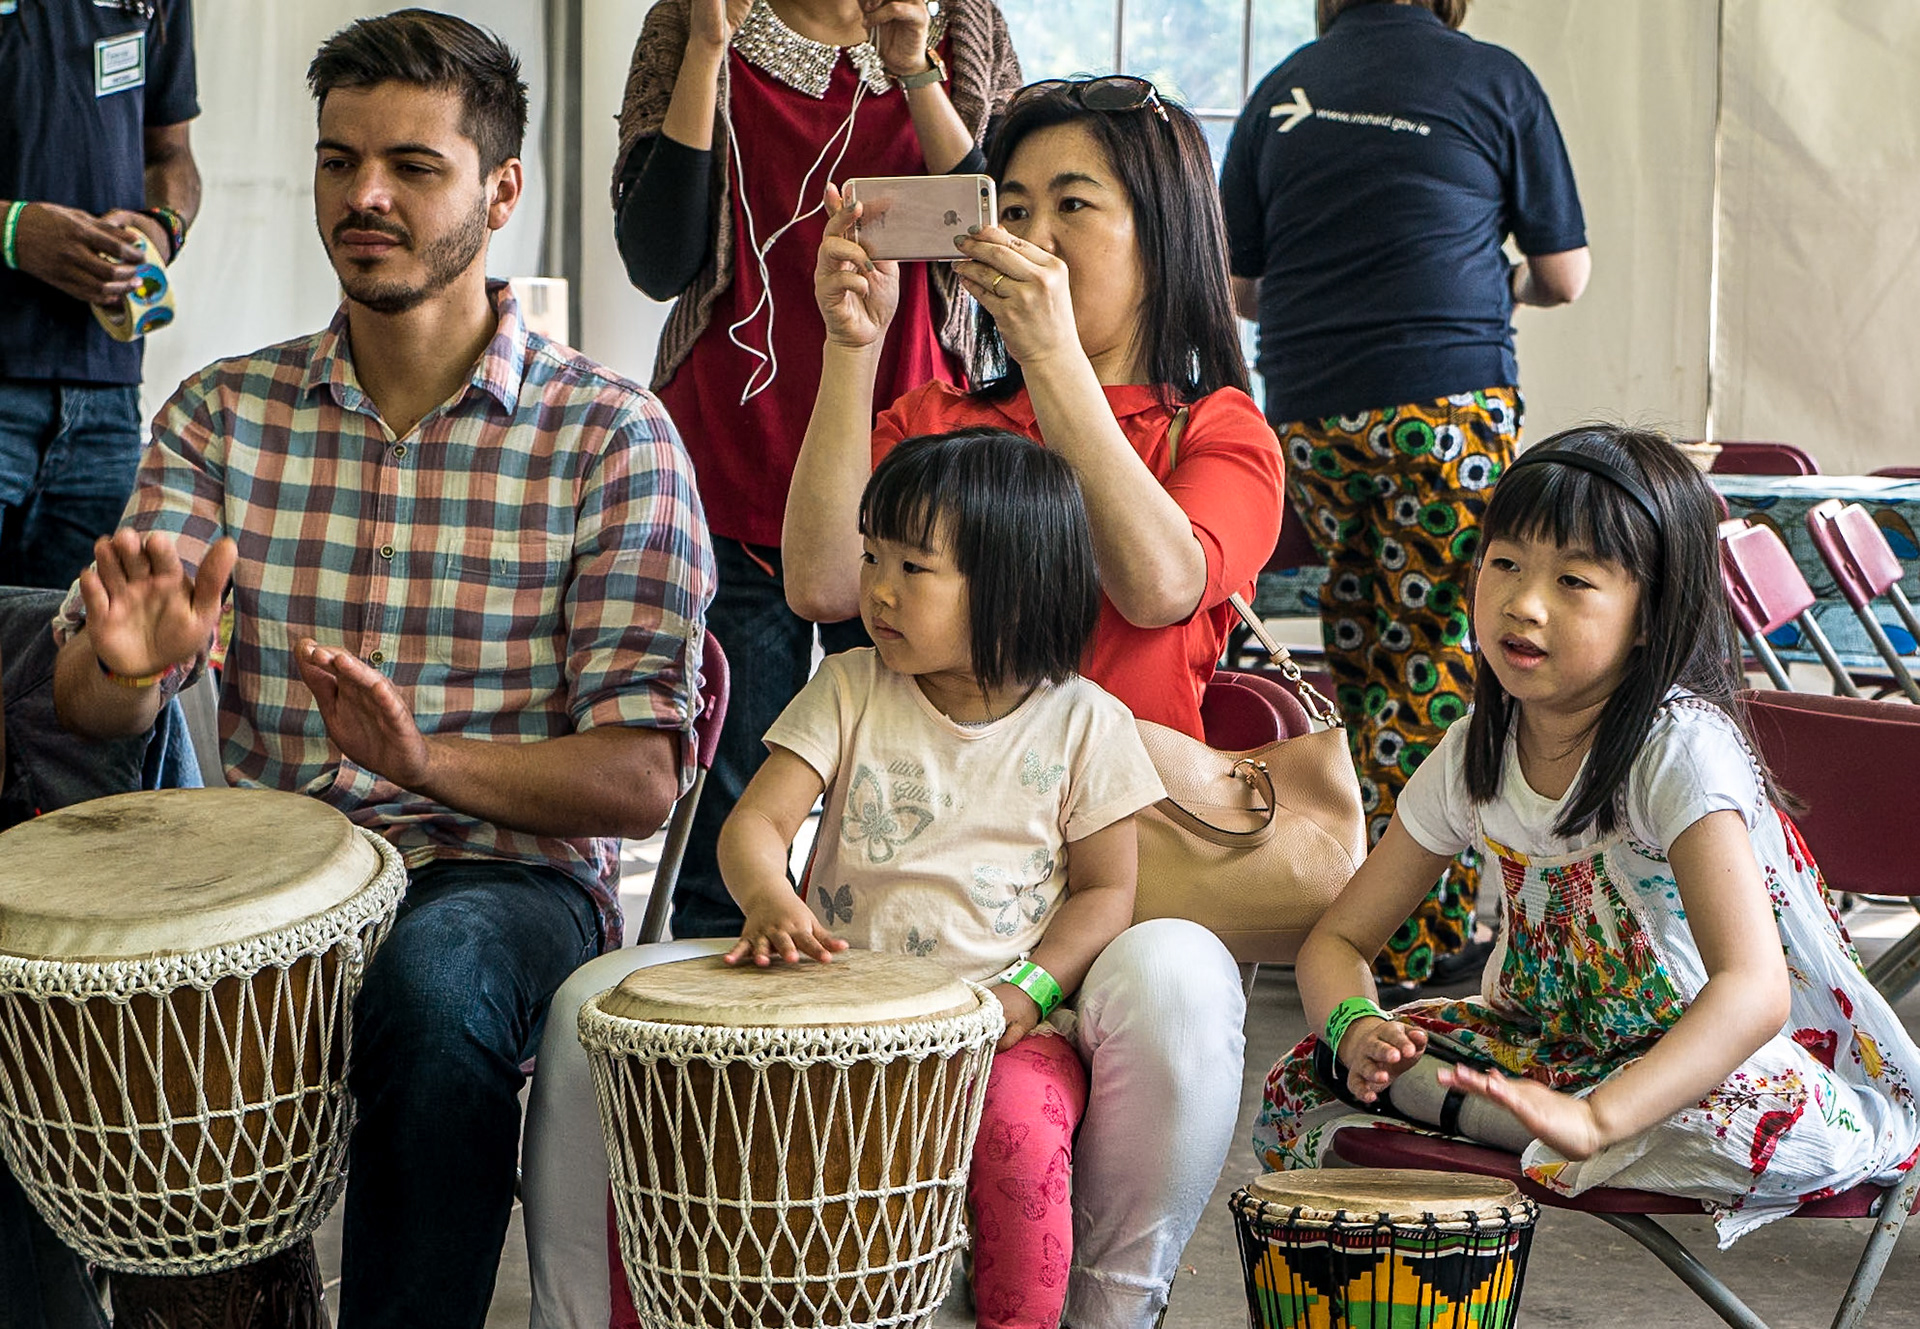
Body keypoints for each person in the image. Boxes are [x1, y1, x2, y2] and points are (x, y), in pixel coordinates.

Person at [47, 12, 713, 1329]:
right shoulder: (221, 414)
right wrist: (131, 673)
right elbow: (89, 692)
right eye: (339, 160)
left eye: (414, 165)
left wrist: (422, 764)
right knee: (85, 979)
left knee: (437, 980)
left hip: (504, 880)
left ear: (501, 191)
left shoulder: (610, 436)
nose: (364, 195)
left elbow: (639, 777)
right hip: (274, 879)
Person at [784, 77, 1283, 1324]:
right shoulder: (942, 420)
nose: (1033, 233)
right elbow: (824, 578)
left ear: (1163, 236)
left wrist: (1058, 358)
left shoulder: (1216, 429)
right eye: (1008, 205)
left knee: (1174, 981)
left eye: (1075, 204)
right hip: (910, 884)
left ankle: (1116, 1306)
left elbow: (1162, 582)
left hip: (1109, 900)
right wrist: (852, 351)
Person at [1256, 425, 1920, 1246]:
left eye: (1573, 579)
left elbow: (1752, 992)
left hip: (1697, 1064)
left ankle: (1533, 1126)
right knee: (1306, 1072)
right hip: (1552, 1052)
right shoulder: (1476, 750)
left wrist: (1600, 1115)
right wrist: (1358, 1027)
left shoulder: (1677, 749)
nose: (1523, 603)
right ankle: (1524, 1124)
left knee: (1753, 1114)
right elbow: (1340, 938)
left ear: (1651, 616)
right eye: (1504, 563)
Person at [607, 429, 1161, 1329]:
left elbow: (1107, 892)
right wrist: (771, 899)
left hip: (996, 1026)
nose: (878, 588)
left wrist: (1030, 988)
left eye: (914, 565)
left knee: (1020, 1139)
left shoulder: (1085, 724)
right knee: (676, 1113)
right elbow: (754, 825)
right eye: (872, 556)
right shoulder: (851, 685)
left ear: (1014, 584)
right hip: (833, 1013)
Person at [610, 0, 1021, 940]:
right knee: (736, 804)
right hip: (738, 454)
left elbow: (1001, 229)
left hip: (914, 485)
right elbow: (657, 256)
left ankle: (896, 1047)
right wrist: (710, 46)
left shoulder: (962, 24)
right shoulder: (693, 19)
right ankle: (724, 1054)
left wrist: (917, 70)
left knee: (909, 809)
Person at [1219, 0, 1590, 986]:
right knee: (1433, 660)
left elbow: (1241, 282)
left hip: (1313, 410)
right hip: (1446, 404)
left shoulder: (1283, 89)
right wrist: (1495, 278)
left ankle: (1363, 911)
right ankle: (1412, 939)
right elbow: (1567, 274)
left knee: (1367, 655)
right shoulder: (1493, 77)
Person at [0, 0, 201, 591]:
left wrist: (162, 227)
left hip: (107, 404)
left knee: (68, 656)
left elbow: (171, 155)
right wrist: (12, 230)